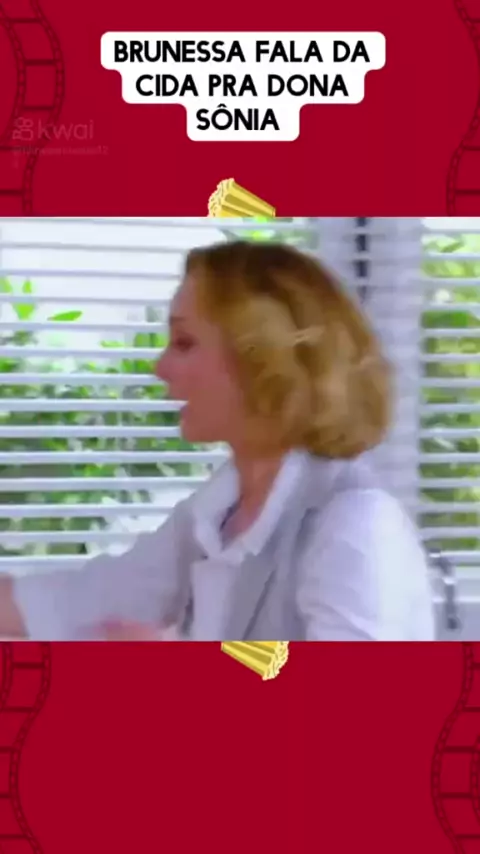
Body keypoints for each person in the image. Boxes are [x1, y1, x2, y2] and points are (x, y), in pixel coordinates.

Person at [0, 240, 435, 641]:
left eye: (184, 343)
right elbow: (80, 600)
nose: (160, 367)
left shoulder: (355, 523)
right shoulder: (215, 516)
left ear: (261, 361)